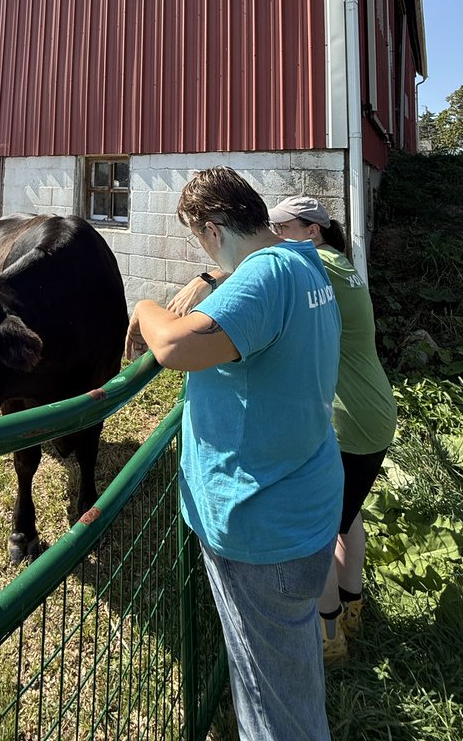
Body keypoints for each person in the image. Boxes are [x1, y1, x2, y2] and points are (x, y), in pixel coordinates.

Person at [125, 168, 342, 741]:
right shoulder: (303, 259)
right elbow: (249, 278)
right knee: (285, 676)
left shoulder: (266, 277)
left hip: (261, 526)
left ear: (213, 227)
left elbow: (174, 346)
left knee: (274, 715)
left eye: (198, 238)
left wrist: (147, 307)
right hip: (306, 500)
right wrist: (209, 275)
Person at [170, 193, 397, 664]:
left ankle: (329, 631)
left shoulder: (310, 264)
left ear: (310, 232)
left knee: (322, 528)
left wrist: (208, 277)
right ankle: (353, 607)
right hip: (372, 406)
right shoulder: (336, 264)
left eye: (281, 228)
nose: (273, 238)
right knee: (346, 514)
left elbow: (254, 284)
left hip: (349, 418)